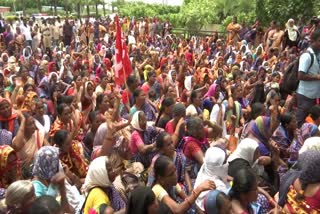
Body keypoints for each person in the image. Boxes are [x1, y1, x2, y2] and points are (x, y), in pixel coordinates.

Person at [151, 155, 216, 214]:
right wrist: (199, 189)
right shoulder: (157, 189)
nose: (175, 175)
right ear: (161, 178)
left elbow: (187, 200)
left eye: (175, 170)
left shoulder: (172, 184)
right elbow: (177, 210)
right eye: (171, 174)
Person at [296, 29, 320, 128]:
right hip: (305, 95)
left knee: (310, 121)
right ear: (313, 40)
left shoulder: (317, 55)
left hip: (314, 95)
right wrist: (317, 77)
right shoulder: (307, 55)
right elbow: (300, 75)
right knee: (300, 121)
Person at [194, 147, 230, 212]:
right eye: (224, 162)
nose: (227, 164)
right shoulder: (219, 186)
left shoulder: (205, 168)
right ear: (216, 167)